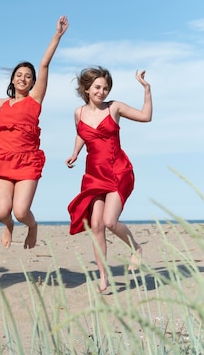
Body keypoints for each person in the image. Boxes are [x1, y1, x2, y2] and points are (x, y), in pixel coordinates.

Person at [0, 16, 69, 249]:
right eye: (19, 75)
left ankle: (32, 226)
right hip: (3, 160)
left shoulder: (35, 99)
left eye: (28, 76)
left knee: (21, 211)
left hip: (27, 161)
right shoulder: (6, 103)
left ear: (33, 82)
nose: (23, 78)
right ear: (13, 79)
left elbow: (44, 64)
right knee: (3, 212)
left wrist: (57, 35)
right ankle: (8, 225)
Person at [66, 67, 151, 292]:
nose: (102, 92)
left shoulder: (114, 107)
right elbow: (81, 133)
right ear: (86, 88)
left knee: (110, 221)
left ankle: (136, 248)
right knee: (96, 226)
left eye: (105, 88)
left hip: (118, 170)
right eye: (97, 87)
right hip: (94, 174)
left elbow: (146, 117)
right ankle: (103, 276)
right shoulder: (78, 112)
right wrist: (75, 152)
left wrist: (146, 89)